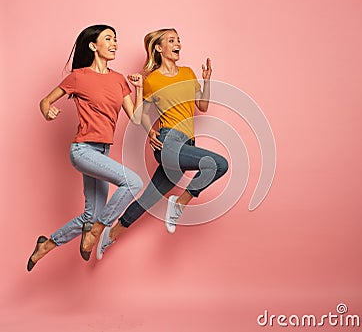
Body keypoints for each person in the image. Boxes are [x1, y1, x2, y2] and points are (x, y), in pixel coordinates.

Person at [94, 28, 229, 260]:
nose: (178, 44)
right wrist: (150, 132)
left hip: (186, 145)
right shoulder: (152, 80)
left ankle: (111, 234)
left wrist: (206, 81)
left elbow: (202, 106)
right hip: (167, 141)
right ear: (159, 48)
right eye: (171, 40)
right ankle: (179, 203)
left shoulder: (187, 73)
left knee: (148, 199)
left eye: (179, 40)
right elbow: (140, 115)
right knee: (219, 163)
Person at [27, 24, 144, 271]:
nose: (115, 44)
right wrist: (47, 111)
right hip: (83, 151)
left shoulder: (118, 79)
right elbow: (45, 101)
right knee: (133, 182)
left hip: (103, 151)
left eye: (116, 39)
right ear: (93, 45)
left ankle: (46, 244)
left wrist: (140, 89)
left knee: (90, 216)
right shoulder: (79, 76)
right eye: (109, 39)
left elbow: (135, 117)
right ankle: (99, 229)